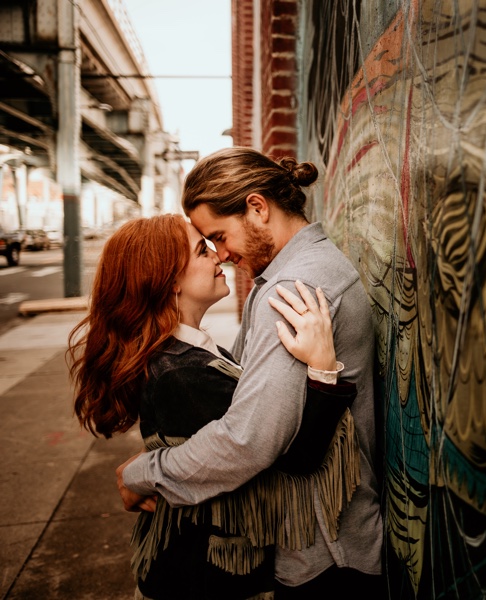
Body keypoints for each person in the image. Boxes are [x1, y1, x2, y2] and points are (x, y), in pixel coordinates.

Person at [117, 148, 383, 597]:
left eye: (219, 236)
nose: (220, 254)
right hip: (317, 539)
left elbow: (250, 438)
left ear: (258, 208)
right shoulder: (282, 277)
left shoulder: (293, 287)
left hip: (325, 551)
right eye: (208, 243)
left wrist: (145, 473)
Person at [68, 214, 357, 599]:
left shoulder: (183, 354)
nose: (218, 257)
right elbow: (292, 459)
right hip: (202, 577)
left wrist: (143, 468)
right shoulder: (182, 373)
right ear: (169, 280)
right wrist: (323, 369)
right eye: (202, 250)